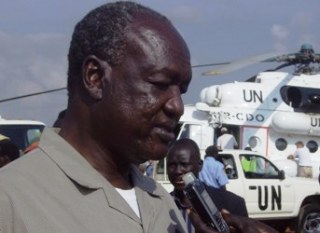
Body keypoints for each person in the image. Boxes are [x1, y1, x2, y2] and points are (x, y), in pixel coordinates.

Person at [0, 2, 192, 232]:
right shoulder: (11, 199)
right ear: (95, 77)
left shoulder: (161, 200)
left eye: (182, 91)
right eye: (160, 84)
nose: (177, 106)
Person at [167, 138, 279, 233]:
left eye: (184, 164)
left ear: (200, 165)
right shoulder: (161, 204)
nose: (178, 171)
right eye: (171, 165)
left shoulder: (233, 203)